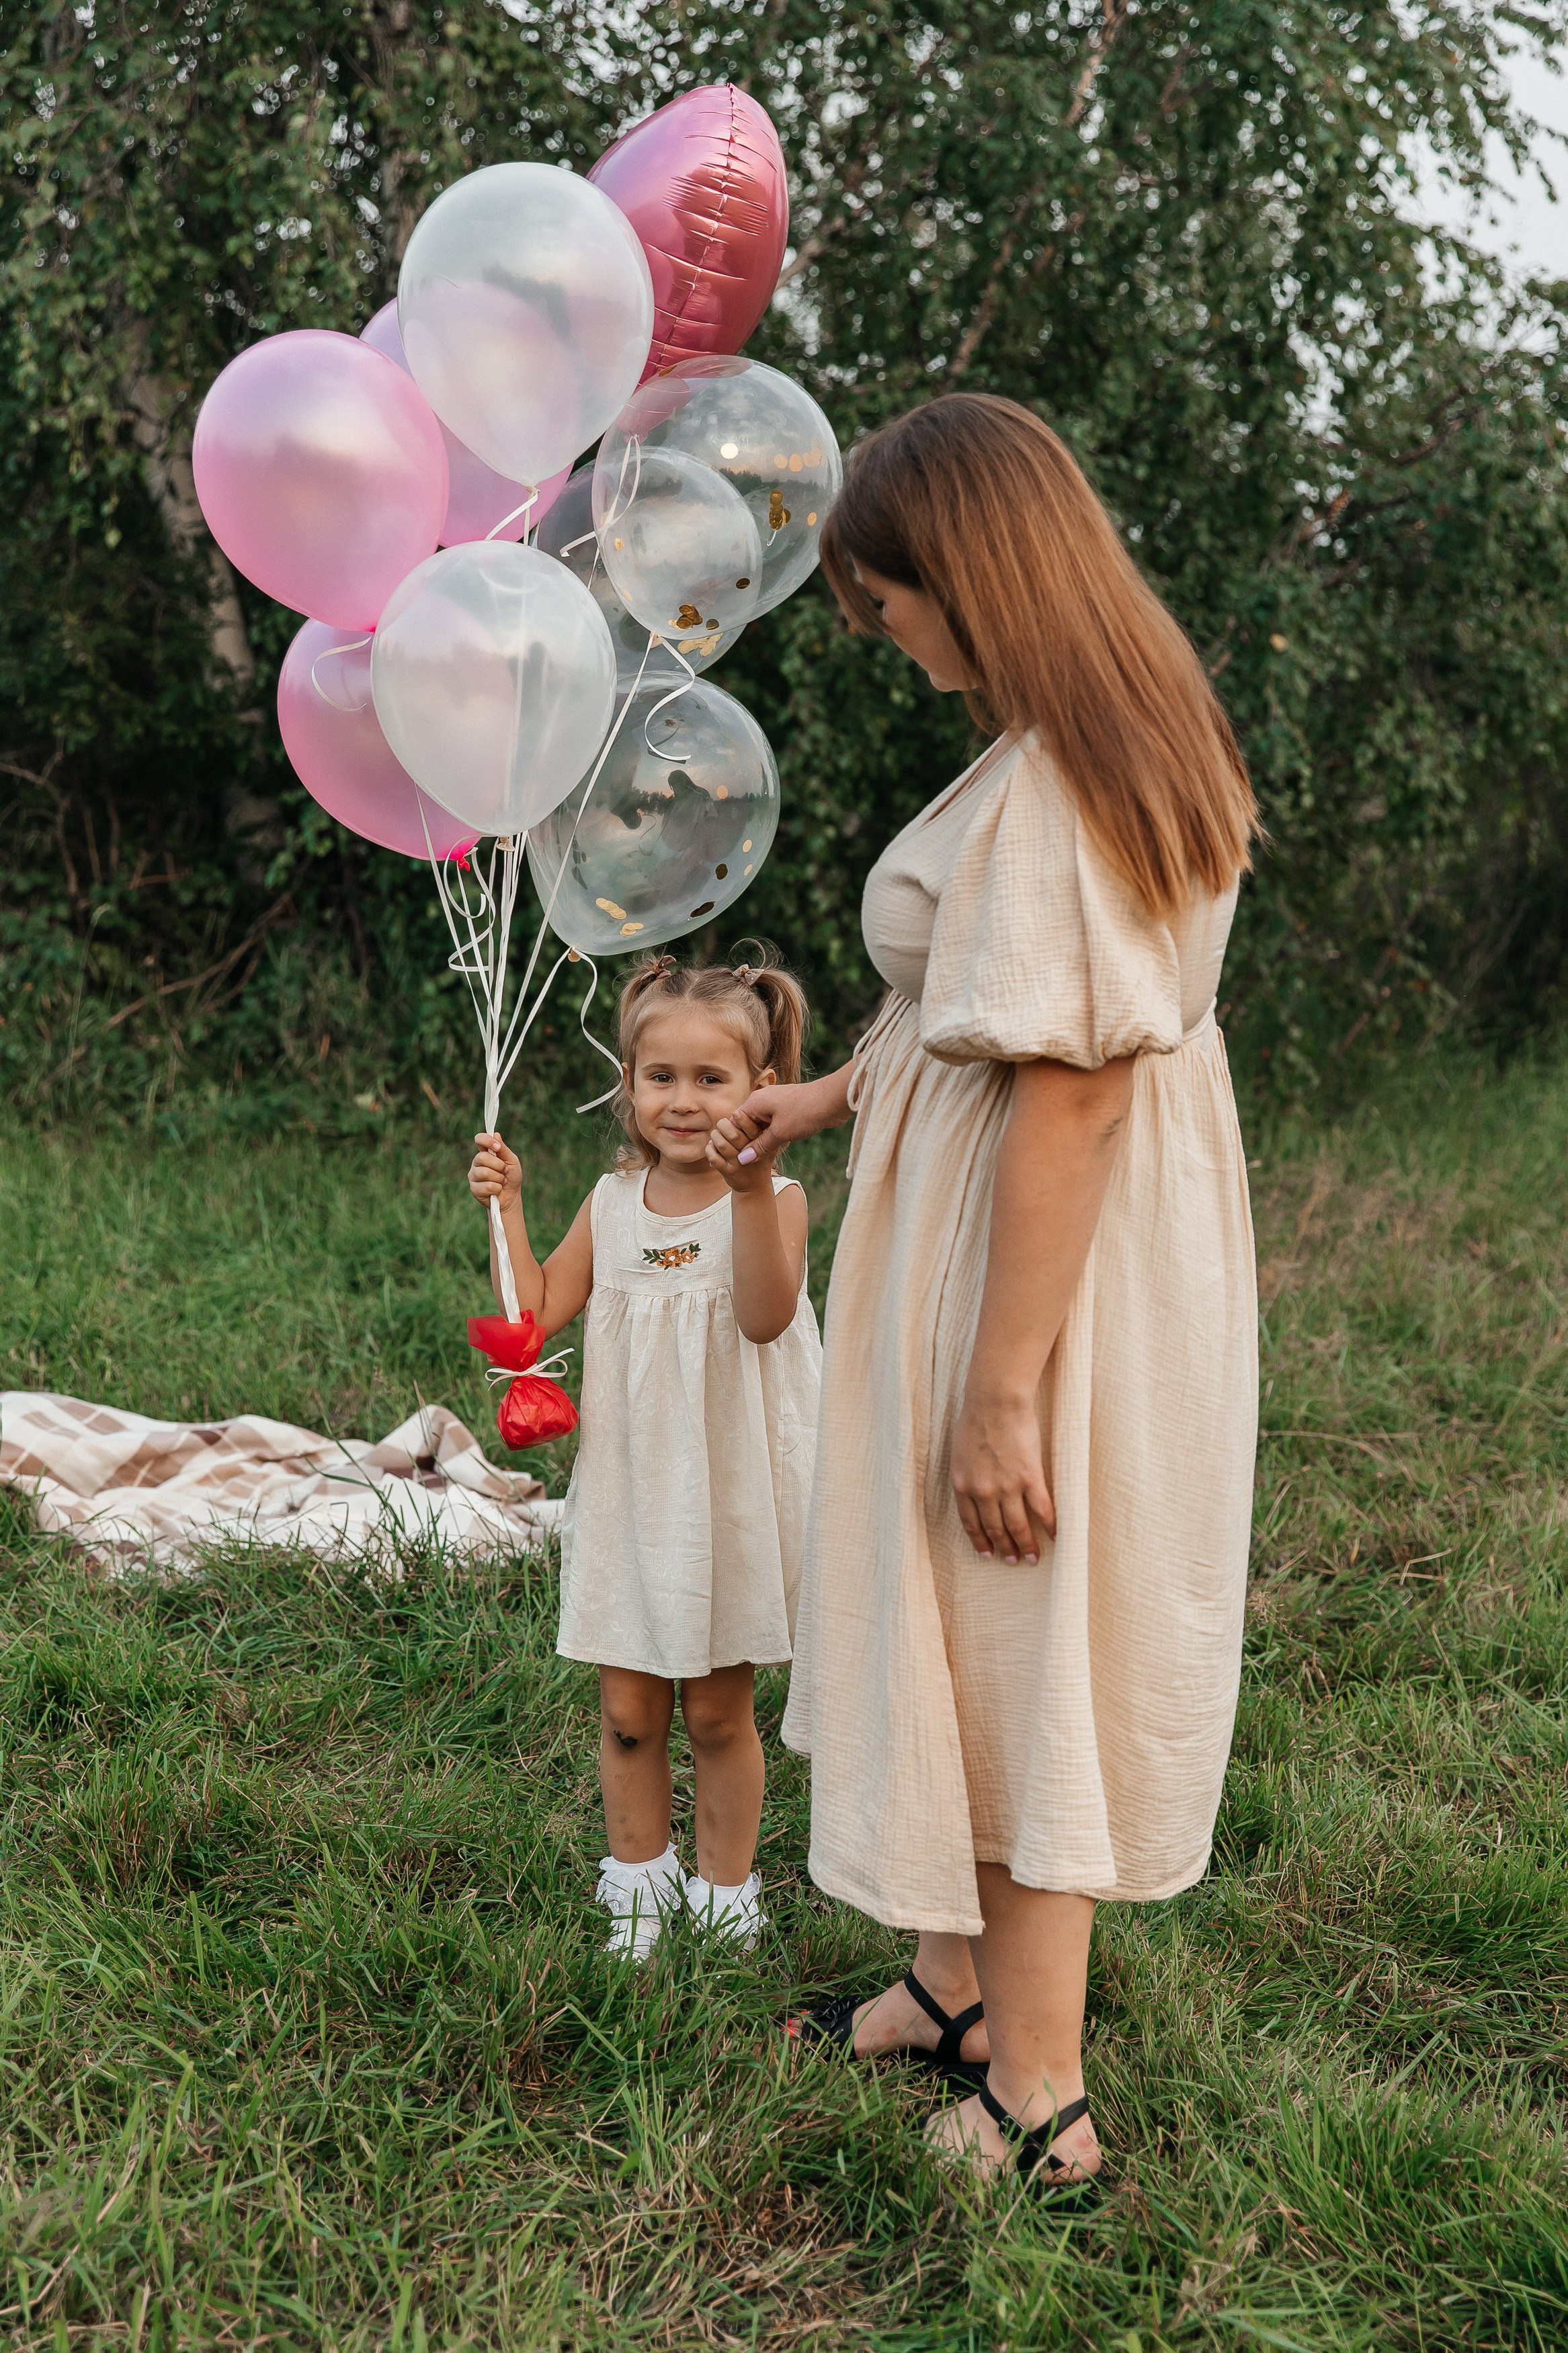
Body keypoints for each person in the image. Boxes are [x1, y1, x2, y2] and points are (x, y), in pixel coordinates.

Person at [716, 394, 1260, 2186]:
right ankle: (950, 1988)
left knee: (1024, 1634)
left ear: (972, 571)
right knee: (958, 1622)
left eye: (894, 603)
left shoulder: (1060, 784)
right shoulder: (1069, 735)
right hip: (1026, 1250)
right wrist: (825, 1093)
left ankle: (1037, 2099)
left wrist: (1002, 1388)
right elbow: (973, 1005)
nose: (890, 640)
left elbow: (1072, 1084)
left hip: (1045, 1287)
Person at [468, 956, 821, 1958]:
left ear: (760, 1088)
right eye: (658, 1075)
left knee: (715, 1712)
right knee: (627, 1709)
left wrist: (748, 1192)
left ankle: (724, 1893)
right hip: (632, 1490)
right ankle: (635, 1882)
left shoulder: (776, 1198)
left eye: (712, 1079)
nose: (681, 1100)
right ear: (626, 1080)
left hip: (724, 1496)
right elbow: (531, 1317)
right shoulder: (614, 1202)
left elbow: (761, 1320)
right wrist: (508, 1205)